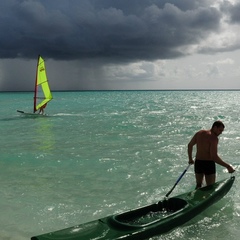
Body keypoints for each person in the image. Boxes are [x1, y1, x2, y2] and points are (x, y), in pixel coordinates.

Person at [188, 121, 235, 189]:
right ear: (215, 127)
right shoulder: (213, 138)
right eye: (220, 130)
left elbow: (190, 145)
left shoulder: (199, 133)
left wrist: (190, 159)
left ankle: (196, 199)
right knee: (210, 187)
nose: (221, 133)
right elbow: (214, 157)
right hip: (208, 164)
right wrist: (228, 166)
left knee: (198, 185)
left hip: (198, 162)